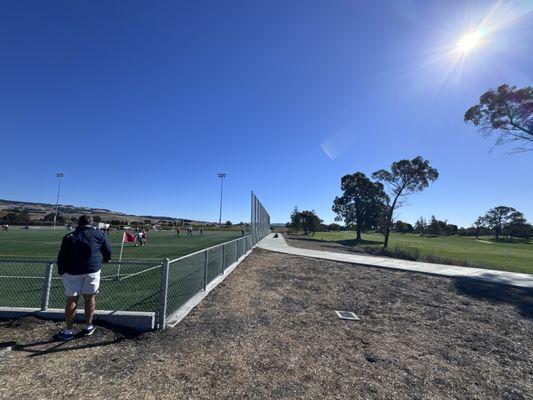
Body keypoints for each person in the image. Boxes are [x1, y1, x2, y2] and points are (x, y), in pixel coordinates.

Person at [56, 215, 111, 340]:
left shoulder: (69, 236)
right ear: (91, 223)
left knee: (72, 300)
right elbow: (107, 250)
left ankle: (69, 330)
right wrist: (107, 259)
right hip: (92, 270)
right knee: (90, 298)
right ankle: (88, 326)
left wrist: (61, 270)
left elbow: (62, 256)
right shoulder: (99, 234)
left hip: (72, 272)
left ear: (78, 223)